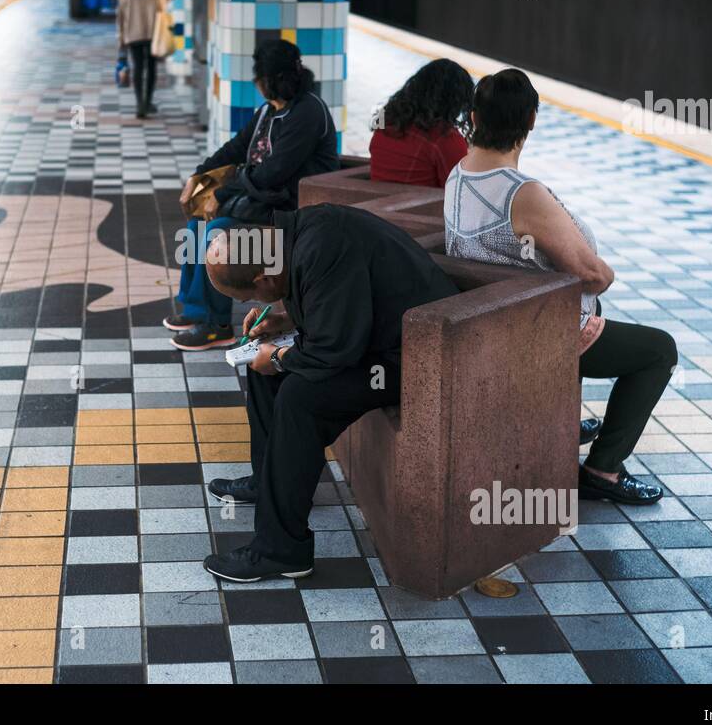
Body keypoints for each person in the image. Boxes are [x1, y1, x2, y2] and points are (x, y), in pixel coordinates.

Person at [444, 68, 676, 505]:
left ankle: (565, 429)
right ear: (532, 120)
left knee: (600, 320)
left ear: (473, 117)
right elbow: (593, 276)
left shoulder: (458, 175)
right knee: (660, 350)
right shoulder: (521, 193)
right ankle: (603, 469)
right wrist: (603, 276)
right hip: (534, 334)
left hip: (491, 321)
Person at [199, 204, 460, 582]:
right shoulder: (295, 238)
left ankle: (281, 550)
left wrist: (281, 358)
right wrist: (283, 319)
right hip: (375, 343)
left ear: (262, 276)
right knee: (264, 367)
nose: (251, 304)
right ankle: (269, 480)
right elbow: (333, 303)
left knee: (298, 397)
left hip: (413, 361)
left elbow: (335, 349)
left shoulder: (324, 246)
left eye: (248, 296)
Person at [166, 39, 338, 350]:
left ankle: (217, 325)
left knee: (216, 234)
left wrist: (225, 192)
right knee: (197, 225)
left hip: (291, 211)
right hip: (261, 201)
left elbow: (274, 172)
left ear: (274, 79)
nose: (255, 83)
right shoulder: (268, 110)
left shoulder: (308, 111)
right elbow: (235, 148)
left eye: (258, 77)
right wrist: (198, 174)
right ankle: (197, 310)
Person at [368, 58, 472, 187]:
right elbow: (461, 190)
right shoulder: (445, 139)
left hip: (373, 202)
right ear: (455, 102)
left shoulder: (385, 121)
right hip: (419, 206)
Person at [116, 0, 167, 118]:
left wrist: (121, 37)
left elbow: (120, 13)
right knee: (151, 68)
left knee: (138, 67)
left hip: (133, 33)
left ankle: (140, 104)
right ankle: (147, 101)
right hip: (153, 33)